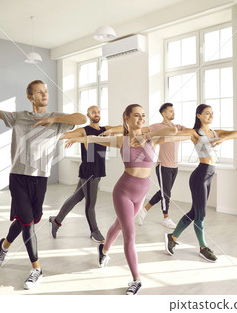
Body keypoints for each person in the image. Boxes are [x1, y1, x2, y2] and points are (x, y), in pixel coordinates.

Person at [0, 80, 87, 289]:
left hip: (41, 179)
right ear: (30, 97)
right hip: (18, 177)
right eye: (39, 92)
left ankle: (4, 245)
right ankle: (37, 269)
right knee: (27, 222)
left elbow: (82, 118)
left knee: (27, 220)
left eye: (46, 92)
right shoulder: (19, 117)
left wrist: (53, 119)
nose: (44, 95)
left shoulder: (58, 120)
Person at [64, 104, 181, 295]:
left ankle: (104, 250)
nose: (141, 119)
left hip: (141, 193)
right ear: (126, 118)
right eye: (136, 116)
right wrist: (72, 137)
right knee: (130, 234)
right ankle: (136, 279)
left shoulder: (153, 139)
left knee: (118, 225)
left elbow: (173, 129)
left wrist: (147, 133)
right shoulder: (122, 141)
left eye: (143, 115)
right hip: (123, 192)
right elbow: (92, 138)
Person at [164, 104, 237, 262]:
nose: (210, 116)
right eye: (207, 113)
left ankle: (172, 237)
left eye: (212, 113)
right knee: (201, 215)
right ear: (198, 115)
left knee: (195, 212)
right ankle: (203, 247)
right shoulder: (195, 133)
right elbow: (176, 134)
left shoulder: (215, 133)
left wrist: (224, 138)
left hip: (209, 175)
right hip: (200, 175)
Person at [48, 105, 120, 243]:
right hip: (89, 172)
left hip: (98, 171)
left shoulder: (105, 130)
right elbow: (65, 135)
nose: (96, 114)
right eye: (93, 112)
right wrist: (51, 135)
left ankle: (56, 221)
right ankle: (94, 231)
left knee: (76, 198)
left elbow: (121, 128)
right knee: (90, 203)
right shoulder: (84, 130)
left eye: (98, 111)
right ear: (88, 115)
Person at [137, 103, 186, 228]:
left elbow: (191, 133)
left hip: (175, 166)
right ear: (164, 113)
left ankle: (144, 209)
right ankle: (166, 217)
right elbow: (141, 131)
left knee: (165, 191)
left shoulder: (178, 127)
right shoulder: (158, 126)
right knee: (166, 193)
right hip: (163, 165)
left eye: (173, 111)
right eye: (170, 111)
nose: (173, 113)